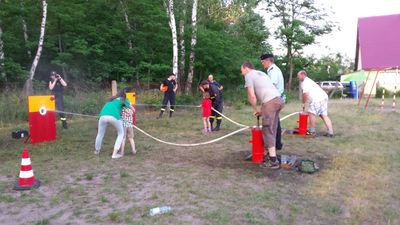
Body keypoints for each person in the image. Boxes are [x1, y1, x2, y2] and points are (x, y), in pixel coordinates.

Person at [241, 62, 284, 169]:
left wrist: (255, 109)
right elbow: (266, 91)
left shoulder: (248, 75)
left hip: (270, 102)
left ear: (246, 68)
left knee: (267, 130)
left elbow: (252, 95)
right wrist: (262, 110)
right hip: (279, 100)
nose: (241, 73)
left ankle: (273, 161)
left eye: (241, 70)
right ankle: (267, 153)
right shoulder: (261, 73)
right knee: (272, 129)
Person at [95, 89, 131, 159]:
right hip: (114, 116)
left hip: (102, 116)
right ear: (124, 95)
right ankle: (114, 154)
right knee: (121, 133)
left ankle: (97, 151)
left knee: (100, 133)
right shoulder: (123, 99)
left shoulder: (111, 99)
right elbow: (131, 108)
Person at [297, 70, 334, 137]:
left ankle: (312, 131)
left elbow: (306, 94)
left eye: (298, 76)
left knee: (311, 113)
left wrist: (303, 103)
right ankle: (330, 131)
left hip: (317, 99)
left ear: (303, 75)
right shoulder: (308, 81)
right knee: (323, 115)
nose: (298, 77)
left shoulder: (305, 82)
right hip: (323, 97)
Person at [260, 53, 284, 150]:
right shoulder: (273, 70)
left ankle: (271, 146)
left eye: (263, 62)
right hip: (277, 99)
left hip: (274, 99)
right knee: (275, 122)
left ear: (267, 61)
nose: (262, 64)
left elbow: (272, 86)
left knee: (270, 124)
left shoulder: (273, 71)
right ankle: (277, 144)